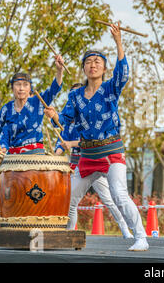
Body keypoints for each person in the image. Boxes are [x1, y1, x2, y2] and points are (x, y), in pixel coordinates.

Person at [44, 22, 148, 251]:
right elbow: (65, 122)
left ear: (104, 68)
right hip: (87, 156)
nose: (92, 65)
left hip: (111, 152)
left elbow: (124, 73)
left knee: (119, 195)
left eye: (97, 61)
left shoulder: (111, 88)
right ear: (83, 68)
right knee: (69, 199)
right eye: (88, 62)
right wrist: (54, 116)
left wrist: (118, 41)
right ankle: (68, 237)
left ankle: (141, 237)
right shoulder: (75, 95)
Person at [55, 83, 134, 239]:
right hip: (77, 167)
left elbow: (93, 140)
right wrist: (54, 155)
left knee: (110, 199)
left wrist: (71, 144)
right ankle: (69, 234)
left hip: (94, 162)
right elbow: (60, 145)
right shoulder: (68, 126)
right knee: (71, 202)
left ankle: (126, 229)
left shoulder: (89, 120)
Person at [0, 57, 64, 156]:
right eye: (18, 85)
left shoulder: (38, 101)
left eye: (25, 85)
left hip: (35, 155)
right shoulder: (7, 108)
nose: (21, 88)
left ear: (30, 88)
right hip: (13, 158)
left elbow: (54, 89)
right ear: (12, 88)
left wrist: (59, 70)